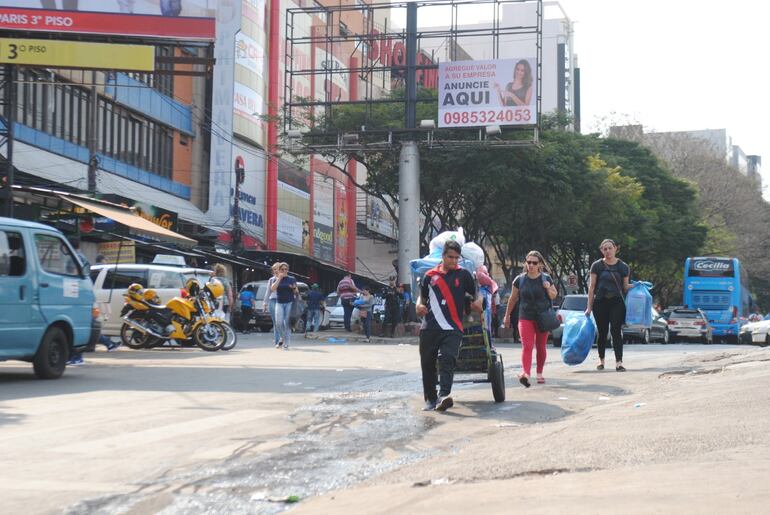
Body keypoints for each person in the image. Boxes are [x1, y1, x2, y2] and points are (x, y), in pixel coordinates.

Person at [416, 240, 482, 412]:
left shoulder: (464, 275)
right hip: (429, 327)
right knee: (428, 364)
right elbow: (422, 297)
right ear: (443, 256)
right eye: (450, 257)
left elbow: (477, 295)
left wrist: (478, 304)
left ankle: (444, 396)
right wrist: (418, 306)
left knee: (448, 358)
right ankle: (431, 399)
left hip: (453, 327)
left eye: (456, 258)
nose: (453, 261)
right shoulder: (430, 276)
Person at [503, 251, 557, 387]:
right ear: (525, 263)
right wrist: (507, 315)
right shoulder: (519, 279)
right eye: (529, 262)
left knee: (540, 347)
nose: (531, 265)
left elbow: (553, 295)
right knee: (527, 346)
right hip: (525, 316)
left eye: (534, 262)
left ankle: (539, 373)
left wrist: (548, 288)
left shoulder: (546, 279)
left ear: (540, 265)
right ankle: (526, 374)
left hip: (542, 317)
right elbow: (513, 298)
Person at [585, 239, 631, 372]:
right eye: (604, 249)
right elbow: (592, 287)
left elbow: (625, 287)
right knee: (602, 331)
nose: (608, 251)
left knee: (616, 330)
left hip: (617, 302)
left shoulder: (623, 267)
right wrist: (589, 307)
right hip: (600, 302)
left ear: (615, 248)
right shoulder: (596, 266)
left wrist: (638, 286)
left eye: (610, 248)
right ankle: (601, 360)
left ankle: (619, 362)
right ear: (601, 251)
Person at [271, 262, 297, 350]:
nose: (284, 271)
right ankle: (283, 337)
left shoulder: (291, 279)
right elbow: (273, 289)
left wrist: (293, 288)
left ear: (288, 270)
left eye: (286, 269)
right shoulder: (276, 279)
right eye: (282, 269)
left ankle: (286, 343)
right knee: (278, 322)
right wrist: (279, 278)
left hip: (289, 302)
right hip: (279, 302)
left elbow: (296, 291)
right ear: (279, 270)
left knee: (287, 323)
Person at [264, 263, 282, 347]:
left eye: (277, 268)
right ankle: (277, 341)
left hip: (282, 301)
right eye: (274, 269)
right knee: (275, 322)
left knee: (282, 322)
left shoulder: (284, 279)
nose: (275, 270)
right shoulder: (271, 280)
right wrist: (265, 303)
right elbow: (268, 292)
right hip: (272, 301)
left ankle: (282, 338)